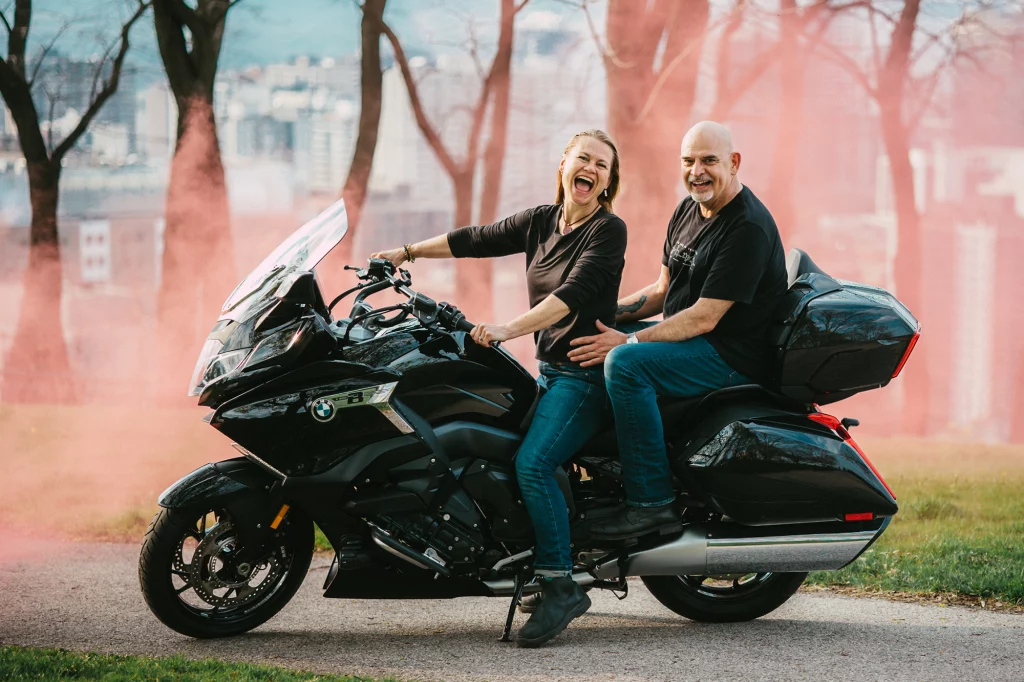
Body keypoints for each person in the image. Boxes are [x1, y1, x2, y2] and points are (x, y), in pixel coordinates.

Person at [372, 129, 627, 646]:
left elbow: (572, 297)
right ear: (563, 166)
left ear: (607, 183)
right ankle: (530, 561)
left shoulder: (608, 230)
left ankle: (559, 586)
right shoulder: (540, 221)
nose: (591, 170)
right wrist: (405, 253)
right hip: (551, 372)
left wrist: (508, 329)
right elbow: (477, 238)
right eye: (584, 159)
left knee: (532, 464)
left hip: (583, 377)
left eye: (602, 166)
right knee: (501, 450)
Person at [566, 121, 788, 540]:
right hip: (692, 337)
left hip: (730, 353)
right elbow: (662, 291)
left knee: (626, 364)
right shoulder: (689, 208)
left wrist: (626, 340)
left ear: (734, 163)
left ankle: (651, 504)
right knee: (584, 342)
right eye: (688, 161)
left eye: (709, 161)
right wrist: (599, 316)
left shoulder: (748, 228)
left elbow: (705, 317)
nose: (697, 171)